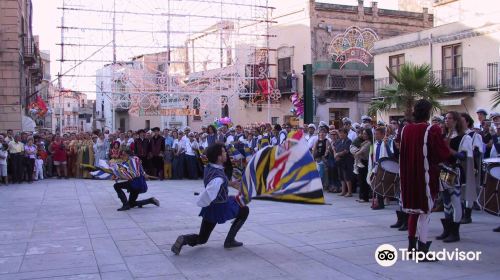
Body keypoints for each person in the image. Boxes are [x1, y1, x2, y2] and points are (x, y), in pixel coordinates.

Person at [171, 143, 249, 255]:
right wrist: (202, 200)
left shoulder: (210, 166)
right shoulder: (218, 178)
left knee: (202, 238)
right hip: (220, 206)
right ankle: (230, 241)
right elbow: (212, 188)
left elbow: (218, 181)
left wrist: (231, 183)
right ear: (218, 157)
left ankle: (184, 239)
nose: (226, 154)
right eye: (223, 152)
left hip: (211, 207)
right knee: (244, 210)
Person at [399, 100, 451, 259]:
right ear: (427, 112)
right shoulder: (432, 129)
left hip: (409, 176)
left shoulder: (405, 129)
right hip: (425, 176)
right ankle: (422, 249)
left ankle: (411, 248)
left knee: (413, 212)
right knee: (425, 213)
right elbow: (442, 154)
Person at [436, 111, 473, 243]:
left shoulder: (464, 137)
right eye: (446, 118)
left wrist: (448, 149)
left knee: (455, 200)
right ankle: (447, 229)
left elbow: (463, 156)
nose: (447, 120)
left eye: (450, 118)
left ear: (456, 121)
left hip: (454, 170)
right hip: (443, 169)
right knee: (446, 200)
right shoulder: (443, 135)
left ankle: (455, 232)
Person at [460, 113, 483, 224]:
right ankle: (459, 213)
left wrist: (467, 154)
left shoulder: (474, 135)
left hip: (469, 164)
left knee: (468, 188)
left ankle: (467, 215)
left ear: (467, 122)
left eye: (461, 120)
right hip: (458, 166)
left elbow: (477, 151)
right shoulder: (456, 134)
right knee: (458, 189)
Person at [334, 128, 354, 197]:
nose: (340, 134)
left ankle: (349, 192)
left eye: (342, 133)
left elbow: (346, 151)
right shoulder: (338, 141)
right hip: (340, 161)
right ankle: (343, 191)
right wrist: (336, 155)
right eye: (339, 133)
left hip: (347, 160)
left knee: (347, 176)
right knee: (341, 176)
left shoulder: (348, 141)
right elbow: (335, 148)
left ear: (346, 133)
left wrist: (338, 154)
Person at [354, 129, 372, 203]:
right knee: (360, 179)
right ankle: (361, 196)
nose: (363, 135)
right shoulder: (364, 142)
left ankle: (365, 197)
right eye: (363, 134)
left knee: (364, 180)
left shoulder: (369, 143)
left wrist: (356, 153)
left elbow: (360, 152)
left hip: (365, 162)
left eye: (365, 134)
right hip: (361, 161)